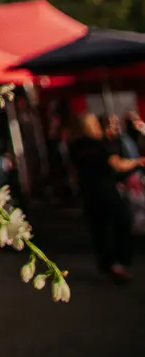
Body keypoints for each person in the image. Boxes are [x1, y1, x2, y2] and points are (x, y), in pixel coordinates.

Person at [67, 112, 145, 282]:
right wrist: (138, 162)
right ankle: (118, 262)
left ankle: (109, 264)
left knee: (100, 229)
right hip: (105, 190)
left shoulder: (75, 147)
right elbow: (117, 164)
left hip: (88, 193)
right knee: (120, 222)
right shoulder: (101, 145)